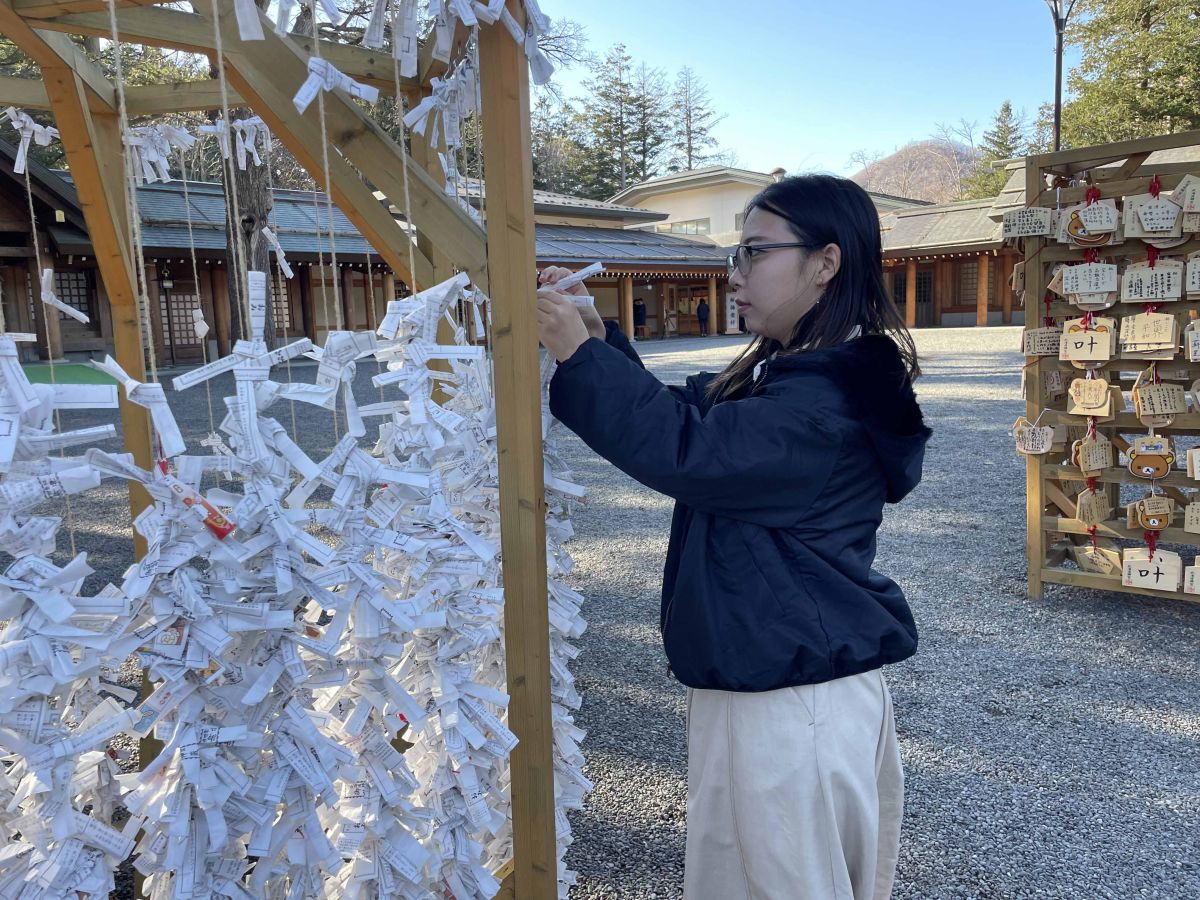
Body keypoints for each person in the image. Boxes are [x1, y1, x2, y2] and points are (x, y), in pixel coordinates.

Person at [536, 173, 929, 900]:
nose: (737, 275)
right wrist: (592, 333)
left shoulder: (823, 401)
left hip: (790, 695)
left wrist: (579, 356)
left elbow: (691, 450)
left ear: (826, 262)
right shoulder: (807, 374)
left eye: (754, 253)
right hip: (775, 675)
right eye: (735, 256)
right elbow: (692, 417)